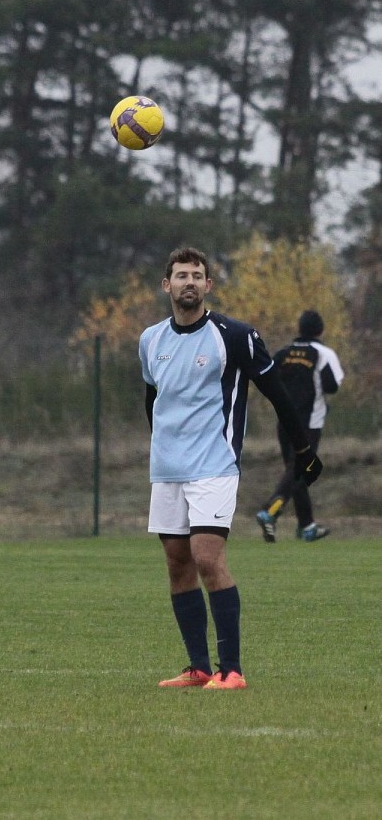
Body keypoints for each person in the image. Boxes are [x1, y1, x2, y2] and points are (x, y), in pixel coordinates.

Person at [139, 248, 322, 690]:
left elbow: (277, 393)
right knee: (176, 562)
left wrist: (304, 450)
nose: (189, 282)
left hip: (214, 465)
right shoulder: (150, 339)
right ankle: (199, 668)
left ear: (208, 286)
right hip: (167, 469)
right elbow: (152, 401)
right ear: (166, 285)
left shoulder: (235, 336)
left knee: (207, 557)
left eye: (197, 276)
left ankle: (232, 670)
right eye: (181, 275)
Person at [256, 310, 344, 543]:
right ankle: (270, 511)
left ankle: (307, 526)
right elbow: (332, 386)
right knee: (299, 469)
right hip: (309, 422)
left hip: (283, 421)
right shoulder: (323, 353)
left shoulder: (284, 353)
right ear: (320, 330)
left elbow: (268, 379)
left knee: (295, 471)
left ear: (300, 328)